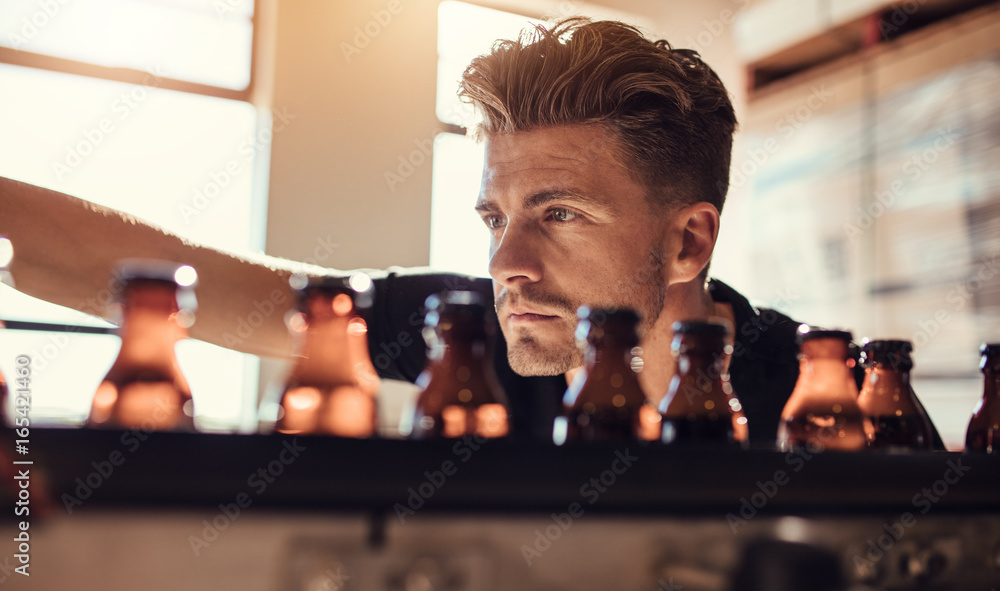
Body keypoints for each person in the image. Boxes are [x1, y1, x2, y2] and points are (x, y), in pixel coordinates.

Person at [0, 18, 902, 446]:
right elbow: (205, 289)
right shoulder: (463, 336)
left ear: (688, 243)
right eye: (495, 218)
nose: (506, 264)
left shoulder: (831, 402)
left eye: (559, 214)